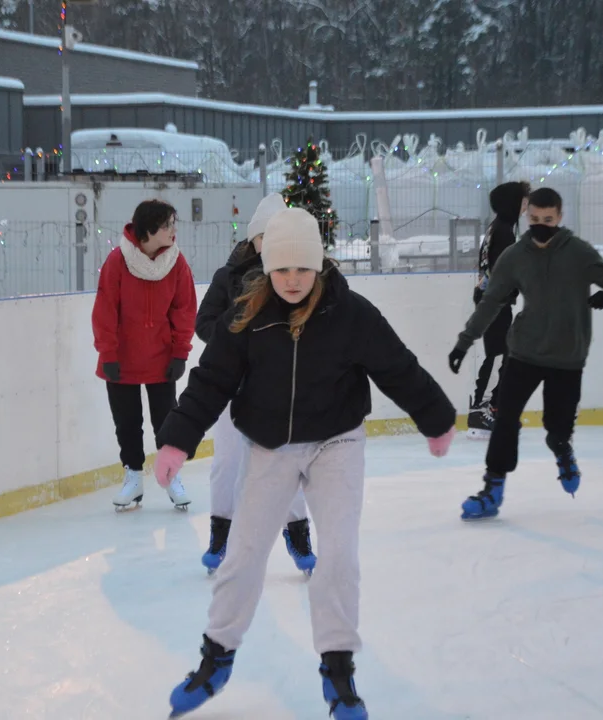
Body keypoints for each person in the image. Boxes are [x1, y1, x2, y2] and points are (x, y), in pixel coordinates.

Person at [151, 208, 457, 719]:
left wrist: (435, 417)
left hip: (336, 442)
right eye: (282, 269)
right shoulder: (248, 314)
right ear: (267, 267)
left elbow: (397, 367)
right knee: (244, 554)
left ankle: (338, 672)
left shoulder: (350, 312)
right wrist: (176, 441)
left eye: (302, 268)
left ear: (319, 265)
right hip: (270, 447)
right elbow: (211, 380)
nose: (292, 280)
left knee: (338, 554)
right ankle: (216, 657)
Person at [447, 187, 603, 520]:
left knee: (556, 429)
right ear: (527, 215)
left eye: (548, 219)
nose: (541, 225)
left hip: (567, 355)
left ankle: (562, 449)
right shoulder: (515, 256)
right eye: (534, 219)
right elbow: (491, 302)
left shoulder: (579, 253)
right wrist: (465, 341)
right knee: (504, 419)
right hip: (525, 351)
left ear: (559, 217)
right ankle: (493, 489)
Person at [194, 192, 316, 576]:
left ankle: (297, 536)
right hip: (233, 387)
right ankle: (220, 533)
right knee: (226, 464)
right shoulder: (228, 277)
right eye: (267, 237)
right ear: (254, 239)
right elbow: (204, 323)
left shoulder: (297, 278)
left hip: (280, 389)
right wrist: (237, 337)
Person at [91, 199, 197, 511]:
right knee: (127, 422)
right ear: (149, 230)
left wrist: (180, 352)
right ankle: (133, 479)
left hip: (161, 358)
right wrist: (107, 352)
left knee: (166, 422)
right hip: (121, 360)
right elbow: (105, 310)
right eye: (167, 225)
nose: (173, 231)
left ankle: (171, 477)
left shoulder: (176, 263)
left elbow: (184, 309)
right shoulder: (117, 262)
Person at [466, 181, 530, 439]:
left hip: (491, 299)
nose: (526, 206)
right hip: (495, 301)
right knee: (498, 354)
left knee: (502, 353)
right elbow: (503, 269)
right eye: (524, 201)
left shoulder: (498, 227)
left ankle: (491, 407)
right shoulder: (504, 231)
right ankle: (483, 411)